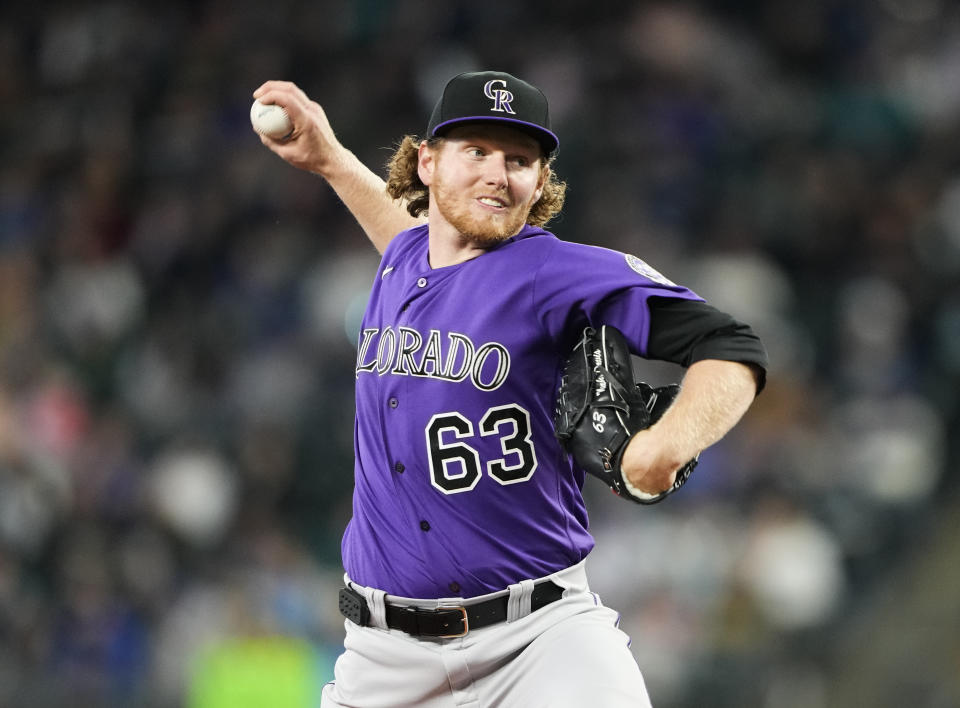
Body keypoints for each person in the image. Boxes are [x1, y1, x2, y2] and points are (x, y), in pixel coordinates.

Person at [252, 70, 768, 707]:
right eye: (477, 151)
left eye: (520, 159)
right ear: (428, 163)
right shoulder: (406, 260)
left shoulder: (554, 273)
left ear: (541, 182)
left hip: (542, 642)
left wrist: (663, 448)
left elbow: (732, 348)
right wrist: (331, 160)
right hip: (382, 660)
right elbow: (413, 236)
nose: (498, 173)